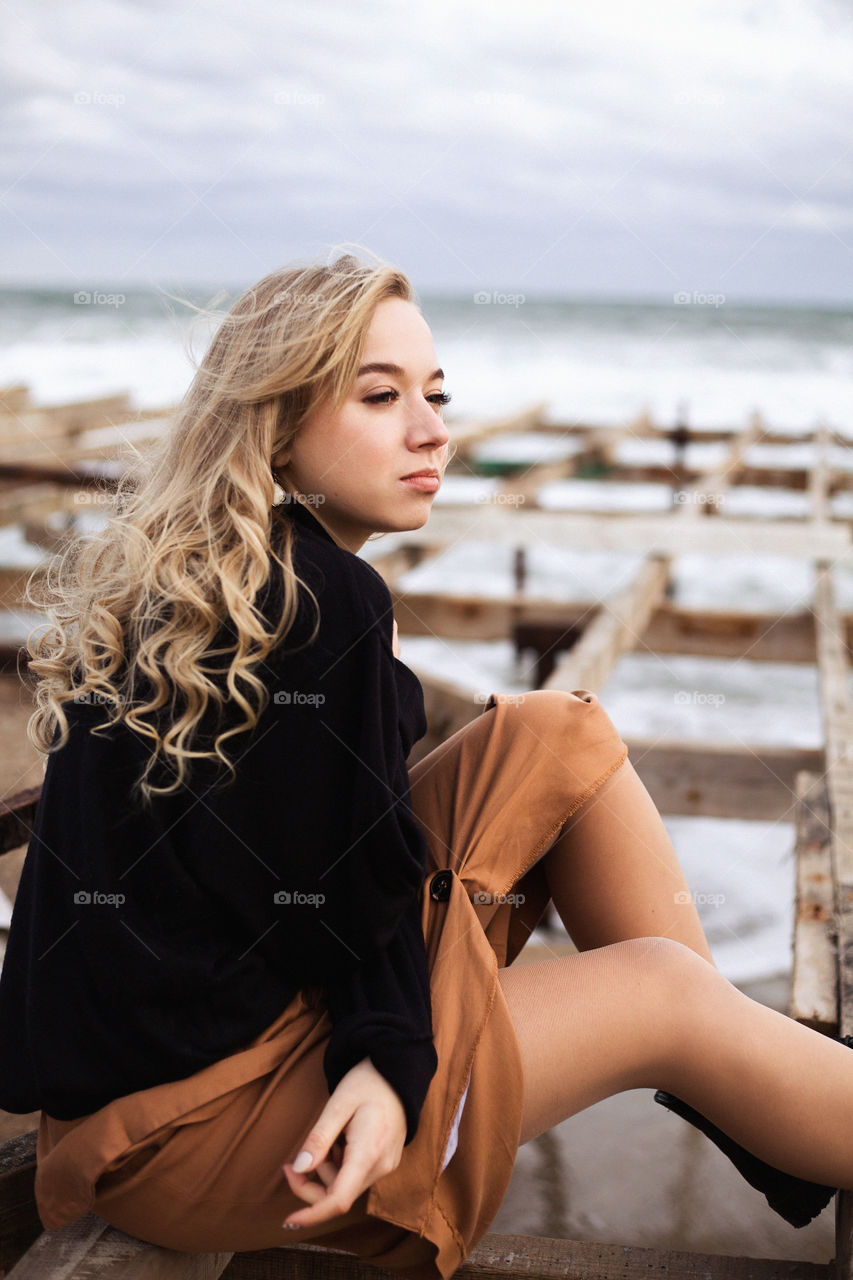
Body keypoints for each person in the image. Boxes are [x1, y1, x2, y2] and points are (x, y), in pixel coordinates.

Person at [1, 249, 853, 1280]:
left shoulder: (217, 572)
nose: (432, 430)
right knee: (662, 991)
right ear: (273, 424)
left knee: (558, 730)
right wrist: (388, 1060)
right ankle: (744, 1073)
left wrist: (379, 690)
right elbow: (344, 891)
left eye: (436, 394)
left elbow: (316, 854)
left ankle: (753, 1089)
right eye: (379, 396)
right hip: (195, 1137)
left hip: (153, 1087)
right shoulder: (320, 598)